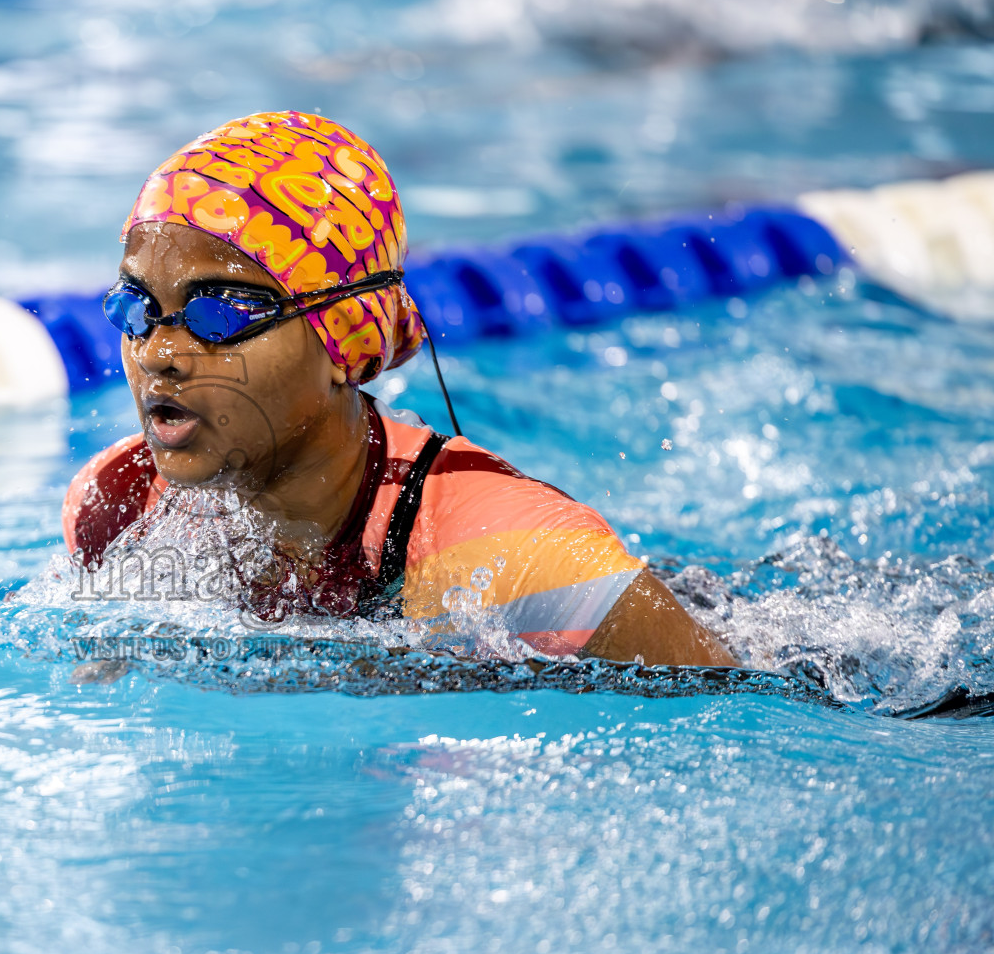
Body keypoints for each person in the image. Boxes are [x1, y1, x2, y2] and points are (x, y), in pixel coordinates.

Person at [61, 111, 734, 667]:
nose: (159, 352)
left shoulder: (517, 557)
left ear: (342, 338)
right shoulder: (119, 505)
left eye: (222, 311)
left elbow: (731, 720)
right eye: (137, 307)